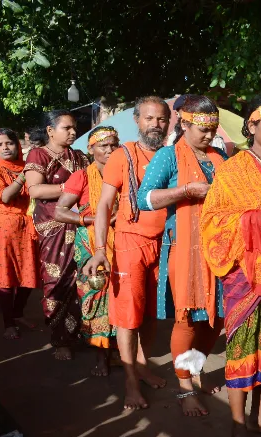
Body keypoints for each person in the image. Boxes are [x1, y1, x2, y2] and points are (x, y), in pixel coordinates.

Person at [200, 94, 261, 437]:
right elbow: (213, 222)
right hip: (244, 276)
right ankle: (237, 428)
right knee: (242, 350)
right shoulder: (233, 170)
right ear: (252, 127)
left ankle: (256, 418)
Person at [136, 95, 227, 417]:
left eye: (213, 129)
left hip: (220, 247)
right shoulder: (168, 156)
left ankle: (195, 367)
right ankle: (185, 387)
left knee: (217, 318)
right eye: (202, 129)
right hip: (184, 250)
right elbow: (144, 199)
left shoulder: (221, 156)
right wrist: (184, 192)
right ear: (184, 125)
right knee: (187, 317)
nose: (208, 135)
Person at [83, 97, 171, 409]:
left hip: (165, 244)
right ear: (137, 121)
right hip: (130, 242)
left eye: (161, 119)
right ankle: (131, 382)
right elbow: (105, 204)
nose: (155, 125)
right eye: (149, 119)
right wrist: (98, 250)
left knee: (151, 314)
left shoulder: (172, 156)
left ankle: (142, 366)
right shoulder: (124, 155)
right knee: (127, 318)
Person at [56, 126, 120, 376]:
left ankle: (119, 351)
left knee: (122, 296)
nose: (109, 150)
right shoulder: (81, 177)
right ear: (90, 149)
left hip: (122, 241)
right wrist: (93, 220)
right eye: (103, 145)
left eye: (113, 144)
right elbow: (60, 211)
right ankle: (100, 357)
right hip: (91, 243)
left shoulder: (127, 173)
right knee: (96, 293)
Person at [24, 110, 88, 360]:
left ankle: (82, 333)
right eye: (67, 128)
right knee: (57, 281)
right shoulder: (37, 154)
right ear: (50, 130)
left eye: (74, 128)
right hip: (53, 226)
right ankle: (60, 338)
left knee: (82, 279)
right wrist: (69, 188)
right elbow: (35, 190)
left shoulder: (79, 156)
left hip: (80, 224)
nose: (73, 132)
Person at [0, 128, 40, 340]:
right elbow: (5, 197)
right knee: (5, 276)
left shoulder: (26, 166)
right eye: (0, 145)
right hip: (1, 229)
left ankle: (17, 313)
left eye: (9, 143)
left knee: (30, 273)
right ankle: (8, 323)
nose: (5, 148)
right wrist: (24, 176)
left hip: (27, 227)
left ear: (17, 145)